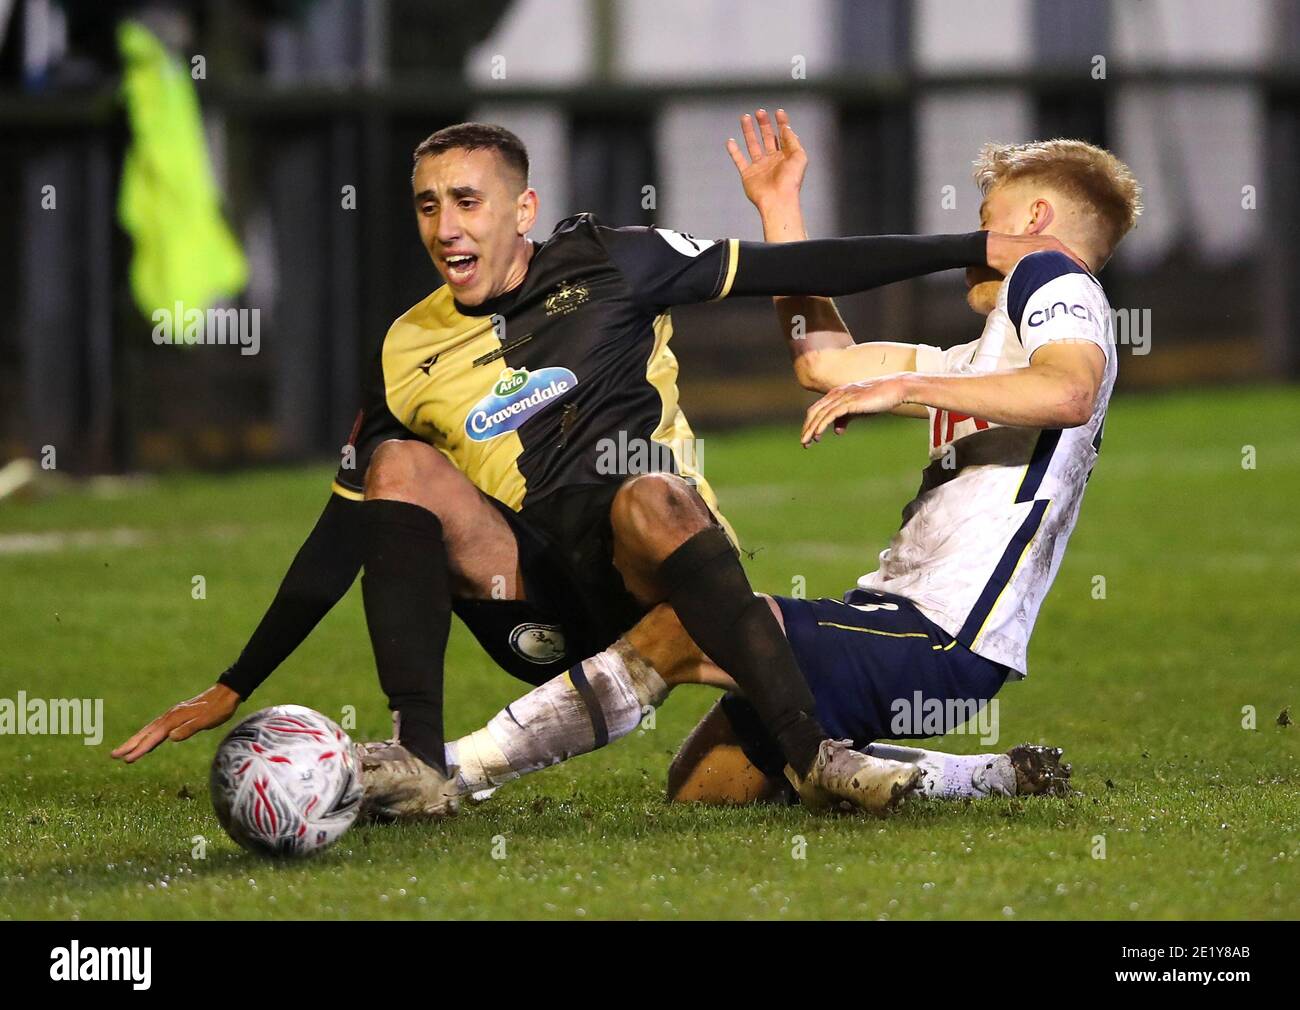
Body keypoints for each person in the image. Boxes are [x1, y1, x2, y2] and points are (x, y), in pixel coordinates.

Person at [112, 115, 1075, 820]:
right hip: (536, 599)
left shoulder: (619, 264)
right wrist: (237, 681)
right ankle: (418, 766)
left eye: (467, 201)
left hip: (664, 570)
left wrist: (976, 245)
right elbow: (343, 528)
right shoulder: (408, 345)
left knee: (695, 743)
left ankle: (816, 755)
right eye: (427, 205)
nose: (446, 225)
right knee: (397, 465)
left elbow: (807, 266)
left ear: (520, 208)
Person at [435, 110, 1137, 812]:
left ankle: (455, 770)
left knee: (687, 624)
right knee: (706, 790)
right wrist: (779, 205)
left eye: (989, 221)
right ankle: (985, 778)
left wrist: (904, 384)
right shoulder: (982, 361)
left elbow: (1069, 391)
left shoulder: (1052, 274)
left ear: (1035, 216)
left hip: (938, 638)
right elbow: (824, 363)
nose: (972, 250)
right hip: (888, 619)